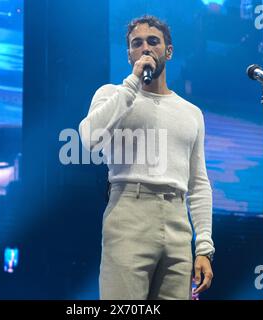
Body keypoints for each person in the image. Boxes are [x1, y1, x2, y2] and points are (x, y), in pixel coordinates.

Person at [79, 15, 214, 300]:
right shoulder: (112, 94)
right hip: (129, 212)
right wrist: (131, 85)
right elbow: (89, 138)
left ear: (169, 51)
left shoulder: (191, 112)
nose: (145, 48)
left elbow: (199, 183)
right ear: (129, 53)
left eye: (153, 41)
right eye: (136, 43)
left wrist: (203, 247)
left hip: (178, 222)